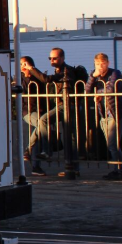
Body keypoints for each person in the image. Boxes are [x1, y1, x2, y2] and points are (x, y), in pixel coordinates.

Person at [24, 47, 88, 177]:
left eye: (55, 58)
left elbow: (46, 79)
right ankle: (72, 168)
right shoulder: (61, 70)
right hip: (65, 105)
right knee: (70, 138)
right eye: (50, 58)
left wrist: (31, 68)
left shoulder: (66, 71)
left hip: (67, 105)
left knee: (44, 120)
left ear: (62, 58)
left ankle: (47, 151)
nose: (52, 60)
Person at [84, 53, 122, 180]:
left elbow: (111, 89)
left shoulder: (115, 73)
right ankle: (118, 169)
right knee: (111, 144)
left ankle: (120, 170)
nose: (100, 66)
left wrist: (99, 93)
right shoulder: (94, 75)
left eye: (103, 63)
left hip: (115, 113)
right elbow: (86, 91)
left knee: (113, 144)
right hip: (103, 114)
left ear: (108, 63)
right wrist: (92, 77)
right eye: (97, 64)